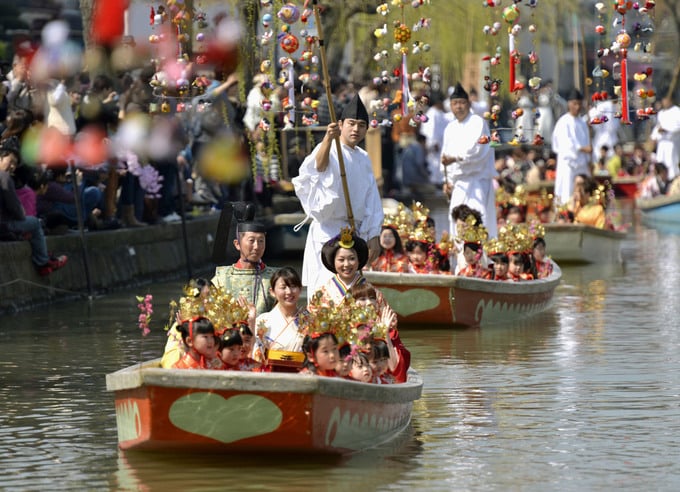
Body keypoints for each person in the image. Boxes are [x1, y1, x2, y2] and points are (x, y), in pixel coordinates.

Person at [293, 94, 383, 295]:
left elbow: (372, 199)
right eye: (351, 124)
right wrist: (327, 139)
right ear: (341, 124)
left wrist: (374, 233)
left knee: (351, 291)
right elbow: (318, 168)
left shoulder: (364, 157)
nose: (356, 129)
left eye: (361, 125)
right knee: (325, 289)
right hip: (328, 230)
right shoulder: (330, 148)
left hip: (353, 230)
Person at [0, 139, 67, 275]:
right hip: (3, 225)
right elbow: (18, 211)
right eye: (10, 161)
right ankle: (42, 261)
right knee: (35, 223)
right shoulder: (4, 178)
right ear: (1, 157)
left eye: (15, 164)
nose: (12, 166)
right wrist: (21, 212)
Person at [440, 82, 498, 240]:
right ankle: (460, 261)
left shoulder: (477, 123)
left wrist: (455, 158)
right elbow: (444, 158)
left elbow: (477, 151)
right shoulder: (450, 128)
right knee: (456, 220)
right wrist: (447, 181)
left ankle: (483, 259)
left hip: (477, 181)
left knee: (480, 219)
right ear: (451, 106)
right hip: (458, 184)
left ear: (469, 104)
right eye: (455, 103)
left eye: (462, 103)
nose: (458, 107)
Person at [212, 210, 277, 317]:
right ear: (237, 244)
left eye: (261, 241)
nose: (257, 247)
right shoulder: (221, 278)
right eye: (251, 241)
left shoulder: (276, 277)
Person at [551, 88, 592, 205]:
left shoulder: (582, 123)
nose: (577, 107)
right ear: (569, 104)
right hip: (568, 163)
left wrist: (589, 159)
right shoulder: (563, 122)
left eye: (579, 104)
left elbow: (587, 142)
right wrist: (583, 148)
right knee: (567, 191)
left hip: (582, 163)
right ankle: (565, 212)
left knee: (584, 189)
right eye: (575, 104)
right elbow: (565, 144)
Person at [255, 266, 305, 353]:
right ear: (272, 292)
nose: (289, 291)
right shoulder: (262, 321)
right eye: (283, 287)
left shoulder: (310, 321)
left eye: (293, 286)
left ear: (300, 289)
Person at [650, 96, 680, 180]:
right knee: (660, 163)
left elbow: (678, 126)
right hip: (661, 143)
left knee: (671, 163)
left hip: (672, 143)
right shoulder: (661, 113)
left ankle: (672, 179)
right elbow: (657, 127)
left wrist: (666, 129)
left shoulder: (677, 111)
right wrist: (654, 136)